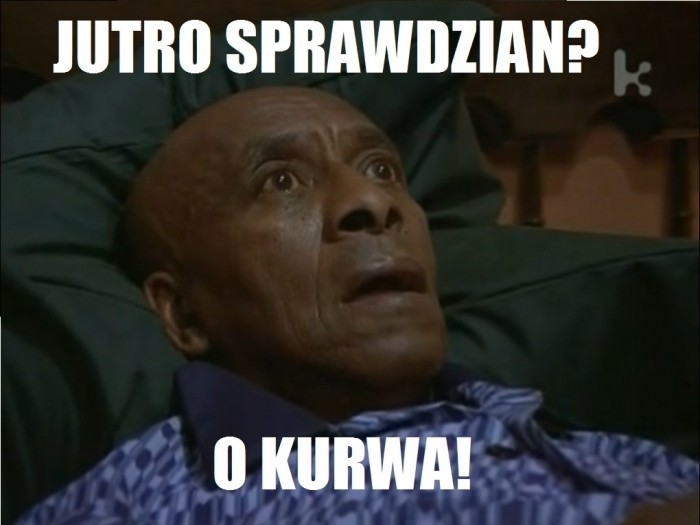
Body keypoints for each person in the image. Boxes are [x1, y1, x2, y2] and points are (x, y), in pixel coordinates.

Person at [17, 87, 699, 524]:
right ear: (185, 314)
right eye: (280, 181)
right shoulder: (148, 495)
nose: (372, 202)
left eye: (382, 170)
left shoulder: (569, 434)